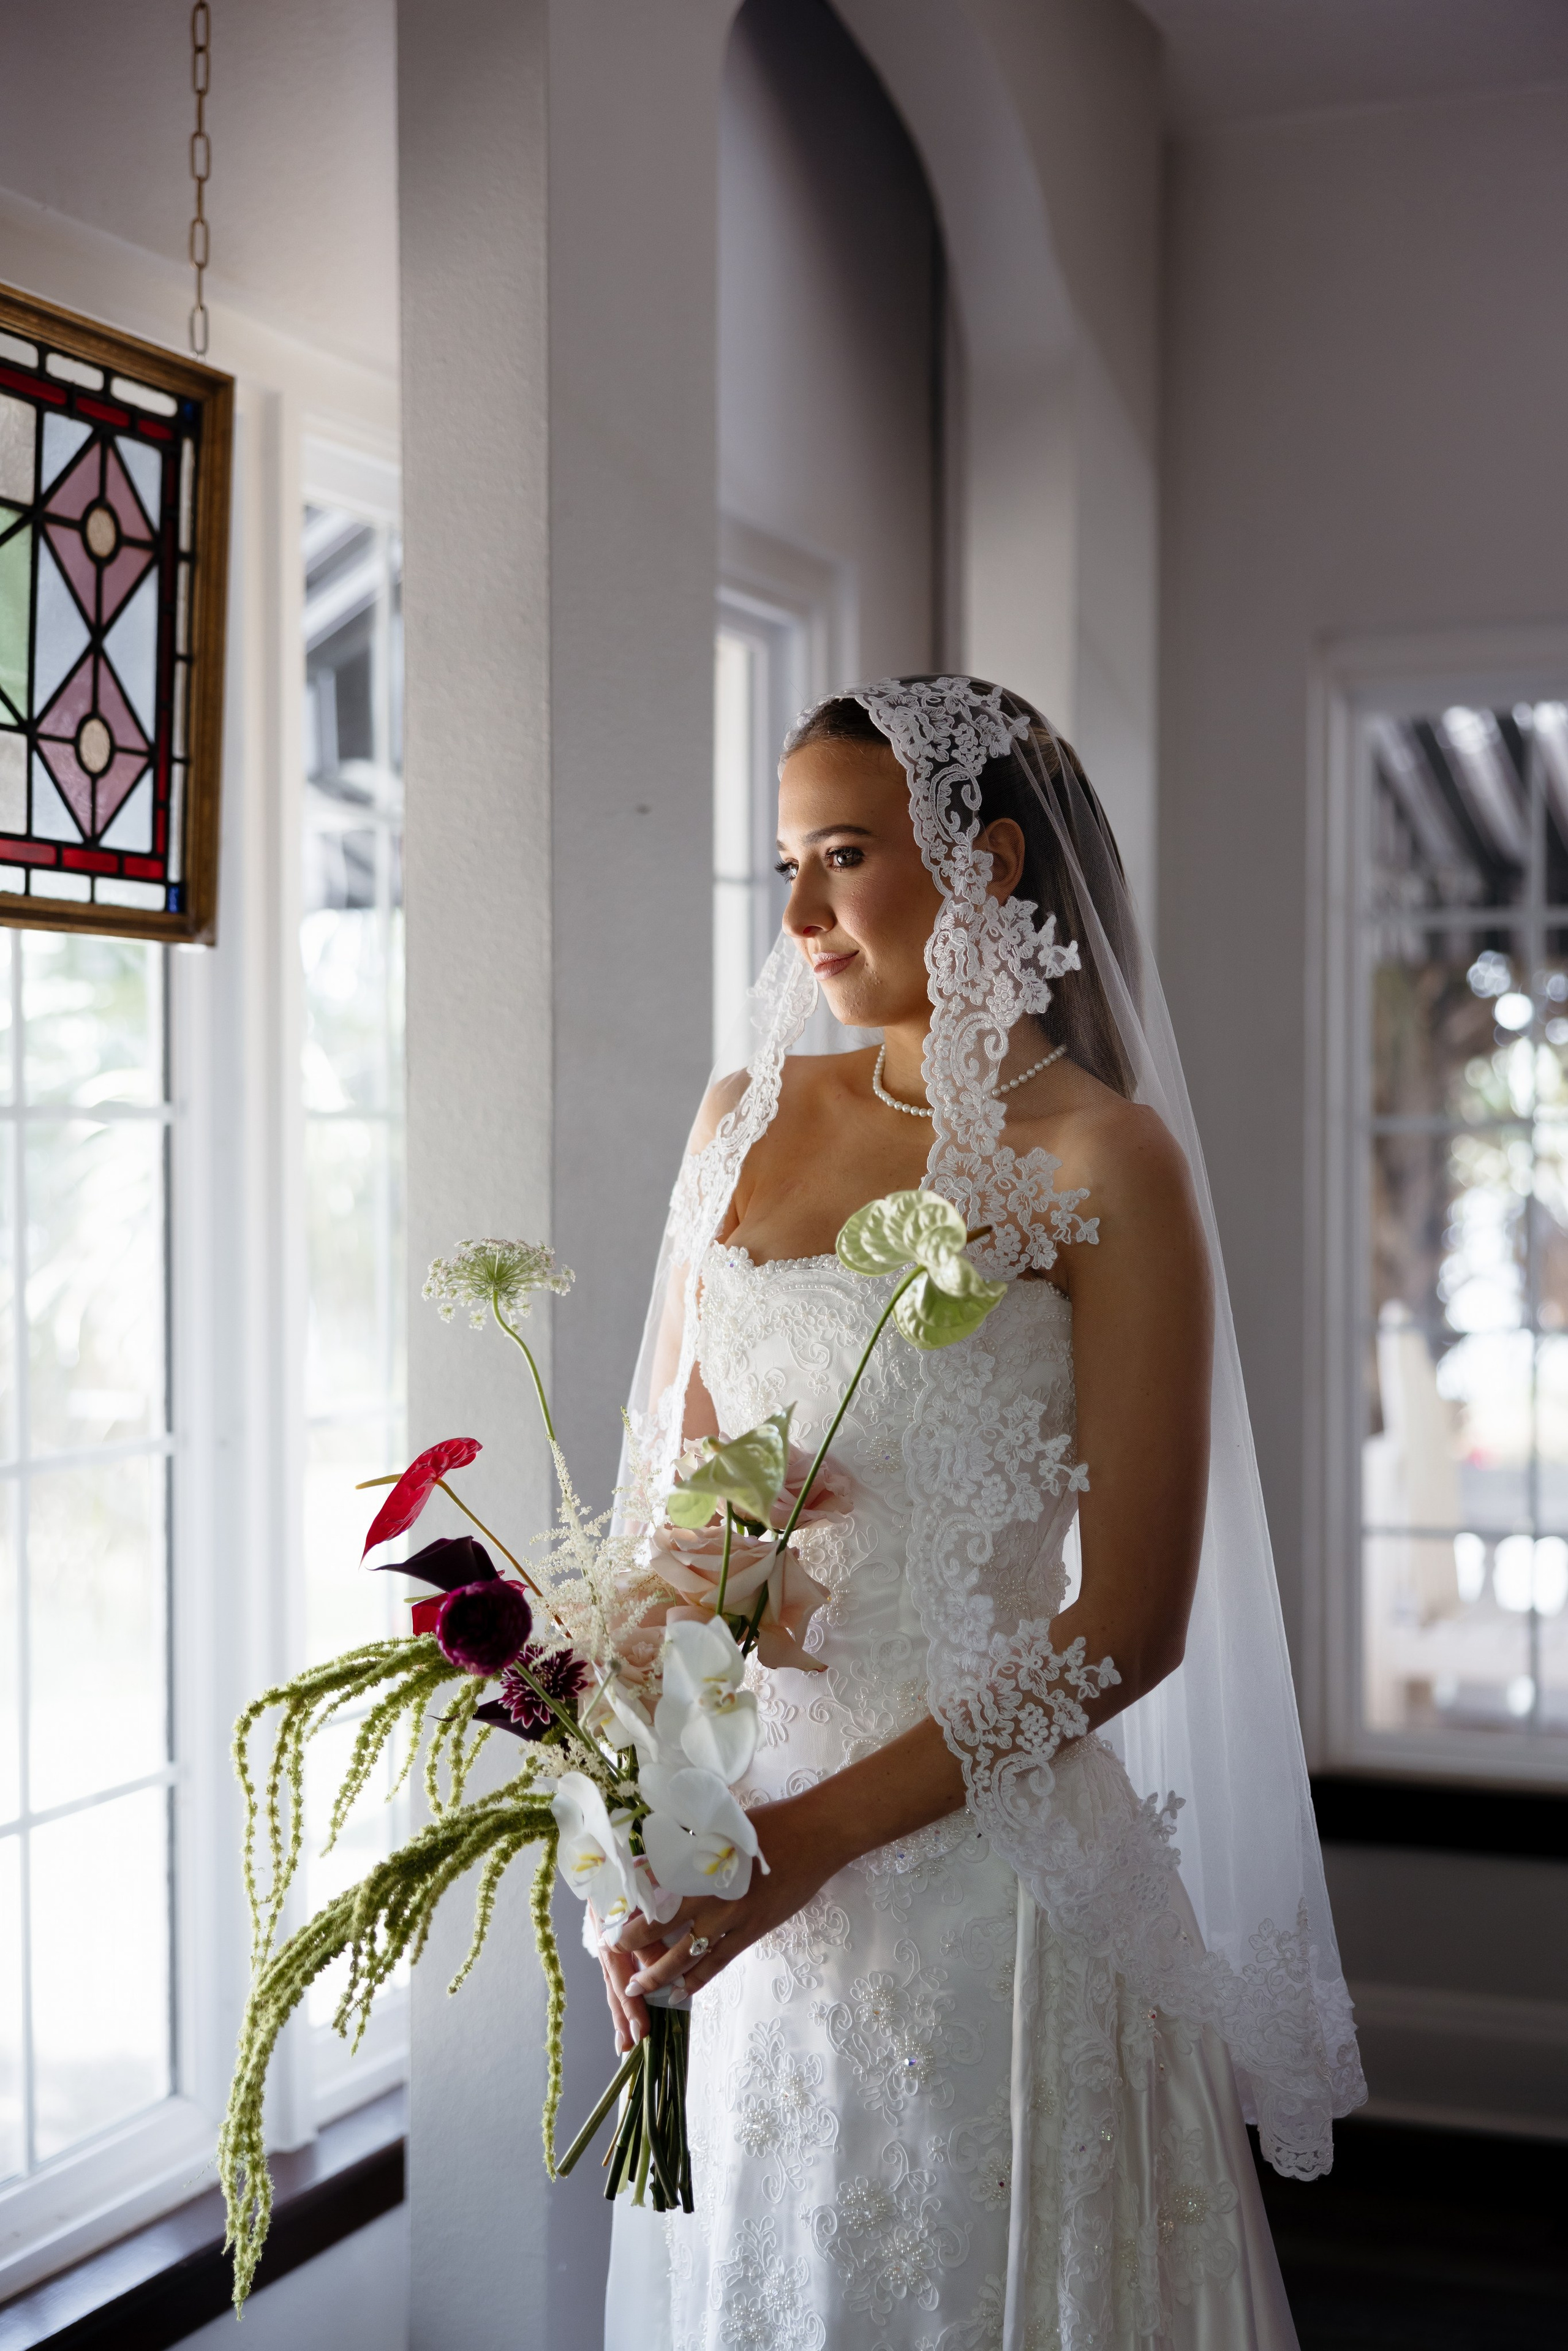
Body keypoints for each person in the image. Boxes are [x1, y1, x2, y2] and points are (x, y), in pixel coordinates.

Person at [597, 677, 1363, 2351]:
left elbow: (1131, 1628)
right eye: (787, 865)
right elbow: (683, 1537)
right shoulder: (740, 1120)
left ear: (991, 862)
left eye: (844, 857)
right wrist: (647, 1834)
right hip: (753, 1893)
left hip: (995, 1900)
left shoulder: (1105, 1161)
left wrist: (807, 1845)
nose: (799, 917)